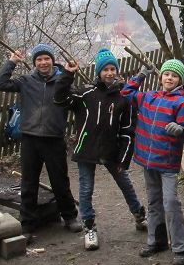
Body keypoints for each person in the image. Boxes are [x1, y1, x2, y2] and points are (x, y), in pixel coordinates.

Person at [53, 48, 147, 251]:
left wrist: (124, 158)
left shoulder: (123, 97)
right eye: (105, 69)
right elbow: (59, 99)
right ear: (99, 72)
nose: (109, 73)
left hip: (112, 151)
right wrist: (67, 74)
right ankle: (89, 227)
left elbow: (127, 130)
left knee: (125, 184)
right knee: (86, 189)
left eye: (113, 69)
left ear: (117, 71)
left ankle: (139, 215)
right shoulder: (85, 94)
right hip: (87, 150)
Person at [0, 43, 82, 237]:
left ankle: (69, 217)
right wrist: (11, 62)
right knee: (29, 183)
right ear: (34, 63)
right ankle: (27, 223)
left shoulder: (62, 81)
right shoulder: (26, 81)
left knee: (60, 181)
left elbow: (73, 96)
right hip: (30, 139)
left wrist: (68, 74)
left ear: (52, 60)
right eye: (39, 59)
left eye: (46, 58)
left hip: (54, 138)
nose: (43, 62)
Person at [121, 59, 184, 265]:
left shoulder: (181, 103)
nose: (169, 78)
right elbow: (125, 94)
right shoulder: (148, 97)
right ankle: (157, 241)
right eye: (166, 74)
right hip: (148, 160)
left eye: (174, 75)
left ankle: (180, 248)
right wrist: (139, 76)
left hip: (167, 162)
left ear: (180, 80)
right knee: (154, 201)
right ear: (160, 76)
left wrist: (181, 130)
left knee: (170, 203)